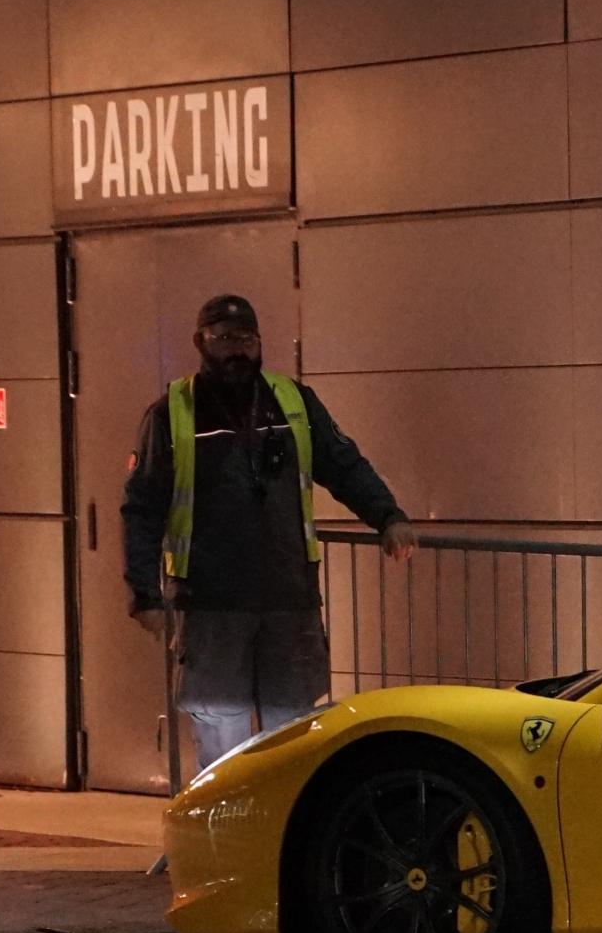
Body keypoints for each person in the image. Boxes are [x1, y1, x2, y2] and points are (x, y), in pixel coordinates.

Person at [121, 294, 417, 768]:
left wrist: (388, 516)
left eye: (246, 338)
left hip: (288, 601)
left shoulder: (292, 401)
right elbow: (142, 508)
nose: (236, 349)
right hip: (211, 605)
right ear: (201, 342)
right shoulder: (171, 412)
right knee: (223, 751)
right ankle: (223, 841)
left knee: (295, 740)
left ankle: (284, 840)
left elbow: (343, 464)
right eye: (223, 339)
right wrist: (144, 595)